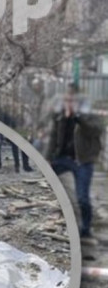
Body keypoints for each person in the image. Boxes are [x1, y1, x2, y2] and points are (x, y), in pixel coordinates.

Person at [45, 84, 104, 242]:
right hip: (62, 158)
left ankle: (85, 229)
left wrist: (78, 117)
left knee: (82, 198)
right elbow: (54, 137)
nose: (69, 103)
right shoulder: (60, 116)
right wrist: (48, 158)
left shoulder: (89, 116)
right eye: (67, 99)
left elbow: (96, 130)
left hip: (82, 161)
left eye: (72, 100)